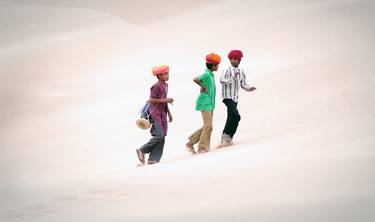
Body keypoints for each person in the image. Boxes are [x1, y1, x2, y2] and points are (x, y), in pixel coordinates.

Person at [136, 65, 173, 165]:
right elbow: (151, 100)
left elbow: (164, 101)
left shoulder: (166, 85)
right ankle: (142, 150)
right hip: (155, 114)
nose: (167, 75)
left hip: (163, 114)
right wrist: (166, 100)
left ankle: (153, 158)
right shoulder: (156, 86)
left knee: (162, 136)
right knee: (159, 135)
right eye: (165, 74)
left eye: (167, 73)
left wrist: (169, 113)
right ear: (159, 76)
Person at [219, 50, 256, 147]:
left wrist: (249, 88)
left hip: (235, 98)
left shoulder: (241, 71)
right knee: (236, 116)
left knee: (230, 117)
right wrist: (231, 79)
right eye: (235, 59)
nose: (238, 61)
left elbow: (243, 83)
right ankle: (228, 136)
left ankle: (225, 139)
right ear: (231, 59)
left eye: (239, 59)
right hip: (227, 97)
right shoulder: (226, 69)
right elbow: (222, 80)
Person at [185, 53, 221, 154]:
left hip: (209, 103)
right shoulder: (206, 74)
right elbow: (195, 79)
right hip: (204, 102)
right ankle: (202, 147)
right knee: (208, 126)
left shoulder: (210, 74)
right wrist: (202, 86)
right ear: (213, 65)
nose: (218, 66)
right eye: (217, 65)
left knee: (206, 125)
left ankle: (190, 143)